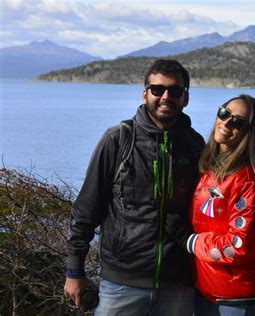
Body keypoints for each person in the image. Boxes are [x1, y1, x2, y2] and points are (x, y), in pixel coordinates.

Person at [64, 59, 205, 315]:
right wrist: (75, 271)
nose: (165, 97)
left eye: (175, 91)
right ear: (144, 93)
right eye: (157, 89)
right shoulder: (118, 140)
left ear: (186, 97)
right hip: (121, 284)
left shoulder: (195, 146)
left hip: (178, 286)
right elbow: (86, 208)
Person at [186, 95, 255, 315]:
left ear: (249, 132)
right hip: (205, 291)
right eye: (224, 113)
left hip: (235, 299)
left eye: (238, 122)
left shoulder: (249, 184)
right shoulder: (209, 170)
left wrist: (192, 242)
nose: (226, 123)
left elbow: (236, 247)